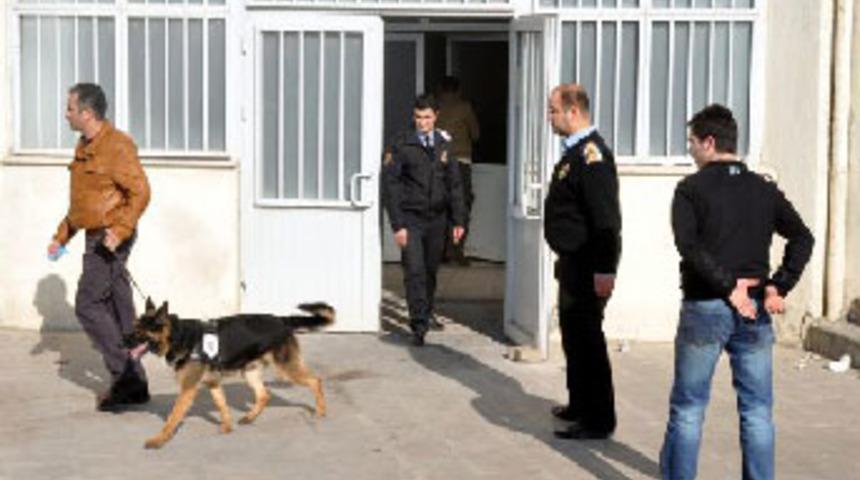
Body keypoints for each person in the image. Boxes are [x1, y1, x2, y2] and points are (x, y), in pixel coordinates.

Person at [659, 104, 814, 480]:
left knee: (689, 408)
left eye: (693, 142)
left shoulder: (690, 189)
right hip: (754, 309)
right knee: (757, 409)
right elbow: (802, 237)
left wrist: (730, 287)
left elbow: (689, 247)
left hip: (706, 307)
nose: (691, 150)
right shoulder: (764, 189)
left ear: (709, 143)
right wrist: (779, 283)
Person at [47, 83, 152, 411]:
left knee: (88, 304)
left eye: (70, 108)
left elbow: (141, 192)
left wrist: (120, 230)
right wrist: (61, 236)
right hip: (95, 233)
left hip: (110, 237)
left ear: (87, 113)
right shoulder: (84, 146)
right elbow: (84, 203)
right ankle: (136, 383)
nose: (66, 114)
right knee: (118, 305)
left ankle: (125, 376)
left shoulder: (117, 146)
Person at [544, 84, 622, 440]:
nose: (550, 117)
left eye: (553, 110)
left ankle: (598, 418)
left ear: (573, 111)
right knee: (573, 337)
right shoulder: (574, 153)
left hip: (589, 265)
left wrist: (605, 271)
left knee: (588, 340)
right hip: (572, 262)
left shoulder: (592, 157)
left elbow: (606, 221)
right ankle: (580, 403)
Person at [381, 94, 466, 346]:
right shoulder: (400, 143)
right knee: (415, 270)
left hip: (437, 219)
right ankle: (418, 325)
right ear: (413, 117)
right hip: (411, 219)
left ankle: (427, 311)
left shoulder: (444, 143)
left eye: (427, 117)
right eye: (418, 117)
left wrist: (458, 220)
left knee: (429, 270)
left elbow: (454, 185)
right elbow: (391, 187)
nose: (422, 122)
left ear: (435, 117)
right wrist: (398, 225)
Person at [435, 76, 480, 266]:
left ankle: (438, 251)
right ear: (458, 90)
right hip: (460, 161)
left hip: (437, 162)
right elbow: (476, 134)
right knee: (460, 207)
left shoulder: (434, 108)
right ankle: (455, 251)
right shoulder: (464, 108)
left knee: (439, 206)